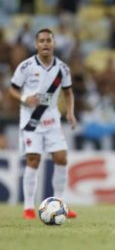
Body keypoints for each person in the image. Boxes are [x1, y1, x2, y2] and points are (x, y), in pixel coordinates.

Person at [9, 28, 78, 220]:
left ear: (54, 43)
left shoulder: (62, 68)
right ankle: (28, 207)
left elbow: (68, 92)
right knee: (33, 160)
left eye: (49, 40)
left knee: (61, 158)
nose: (45, 44)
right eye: (41, 41)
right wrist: (24, 98)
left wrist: (70, 112)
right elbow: (12, 90)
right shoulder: (26, 66)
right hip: (31, 122)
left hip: (52, 121)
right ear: (36, 44)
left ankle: (60, 203)